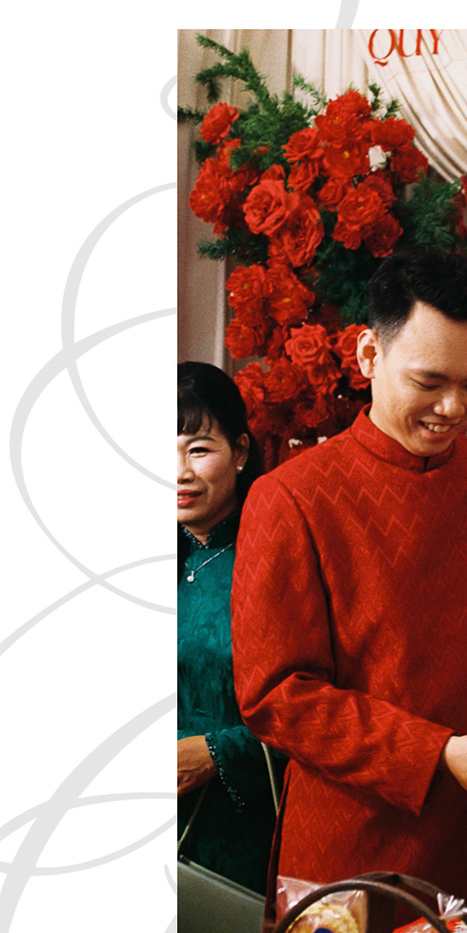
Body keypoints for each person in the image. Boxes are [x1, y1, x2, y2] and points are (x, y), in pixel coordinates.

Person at [231, 250, 467, 925]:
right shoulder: (291, 498)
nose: (453, 407)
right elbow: (276, 694)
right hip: (350, 843)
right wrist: (435, 753)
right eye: (429, 381)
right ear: (369, 354)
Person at [177, 362, 282, 893]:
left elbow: (319, 702)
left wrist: (218, 754)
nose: (178, 473)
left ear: (241, 451)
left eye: (198, 450)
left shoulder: (278, 555)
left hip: (239, 832)